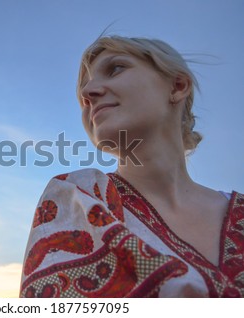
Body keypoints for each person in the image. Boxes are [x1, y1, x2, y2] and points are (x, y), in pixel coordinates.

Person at [19, 35, 244, 297]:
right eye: (84, 90)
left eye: (115, 68)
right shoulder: (79, 198)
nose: (87, 94)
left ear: (178, 86)